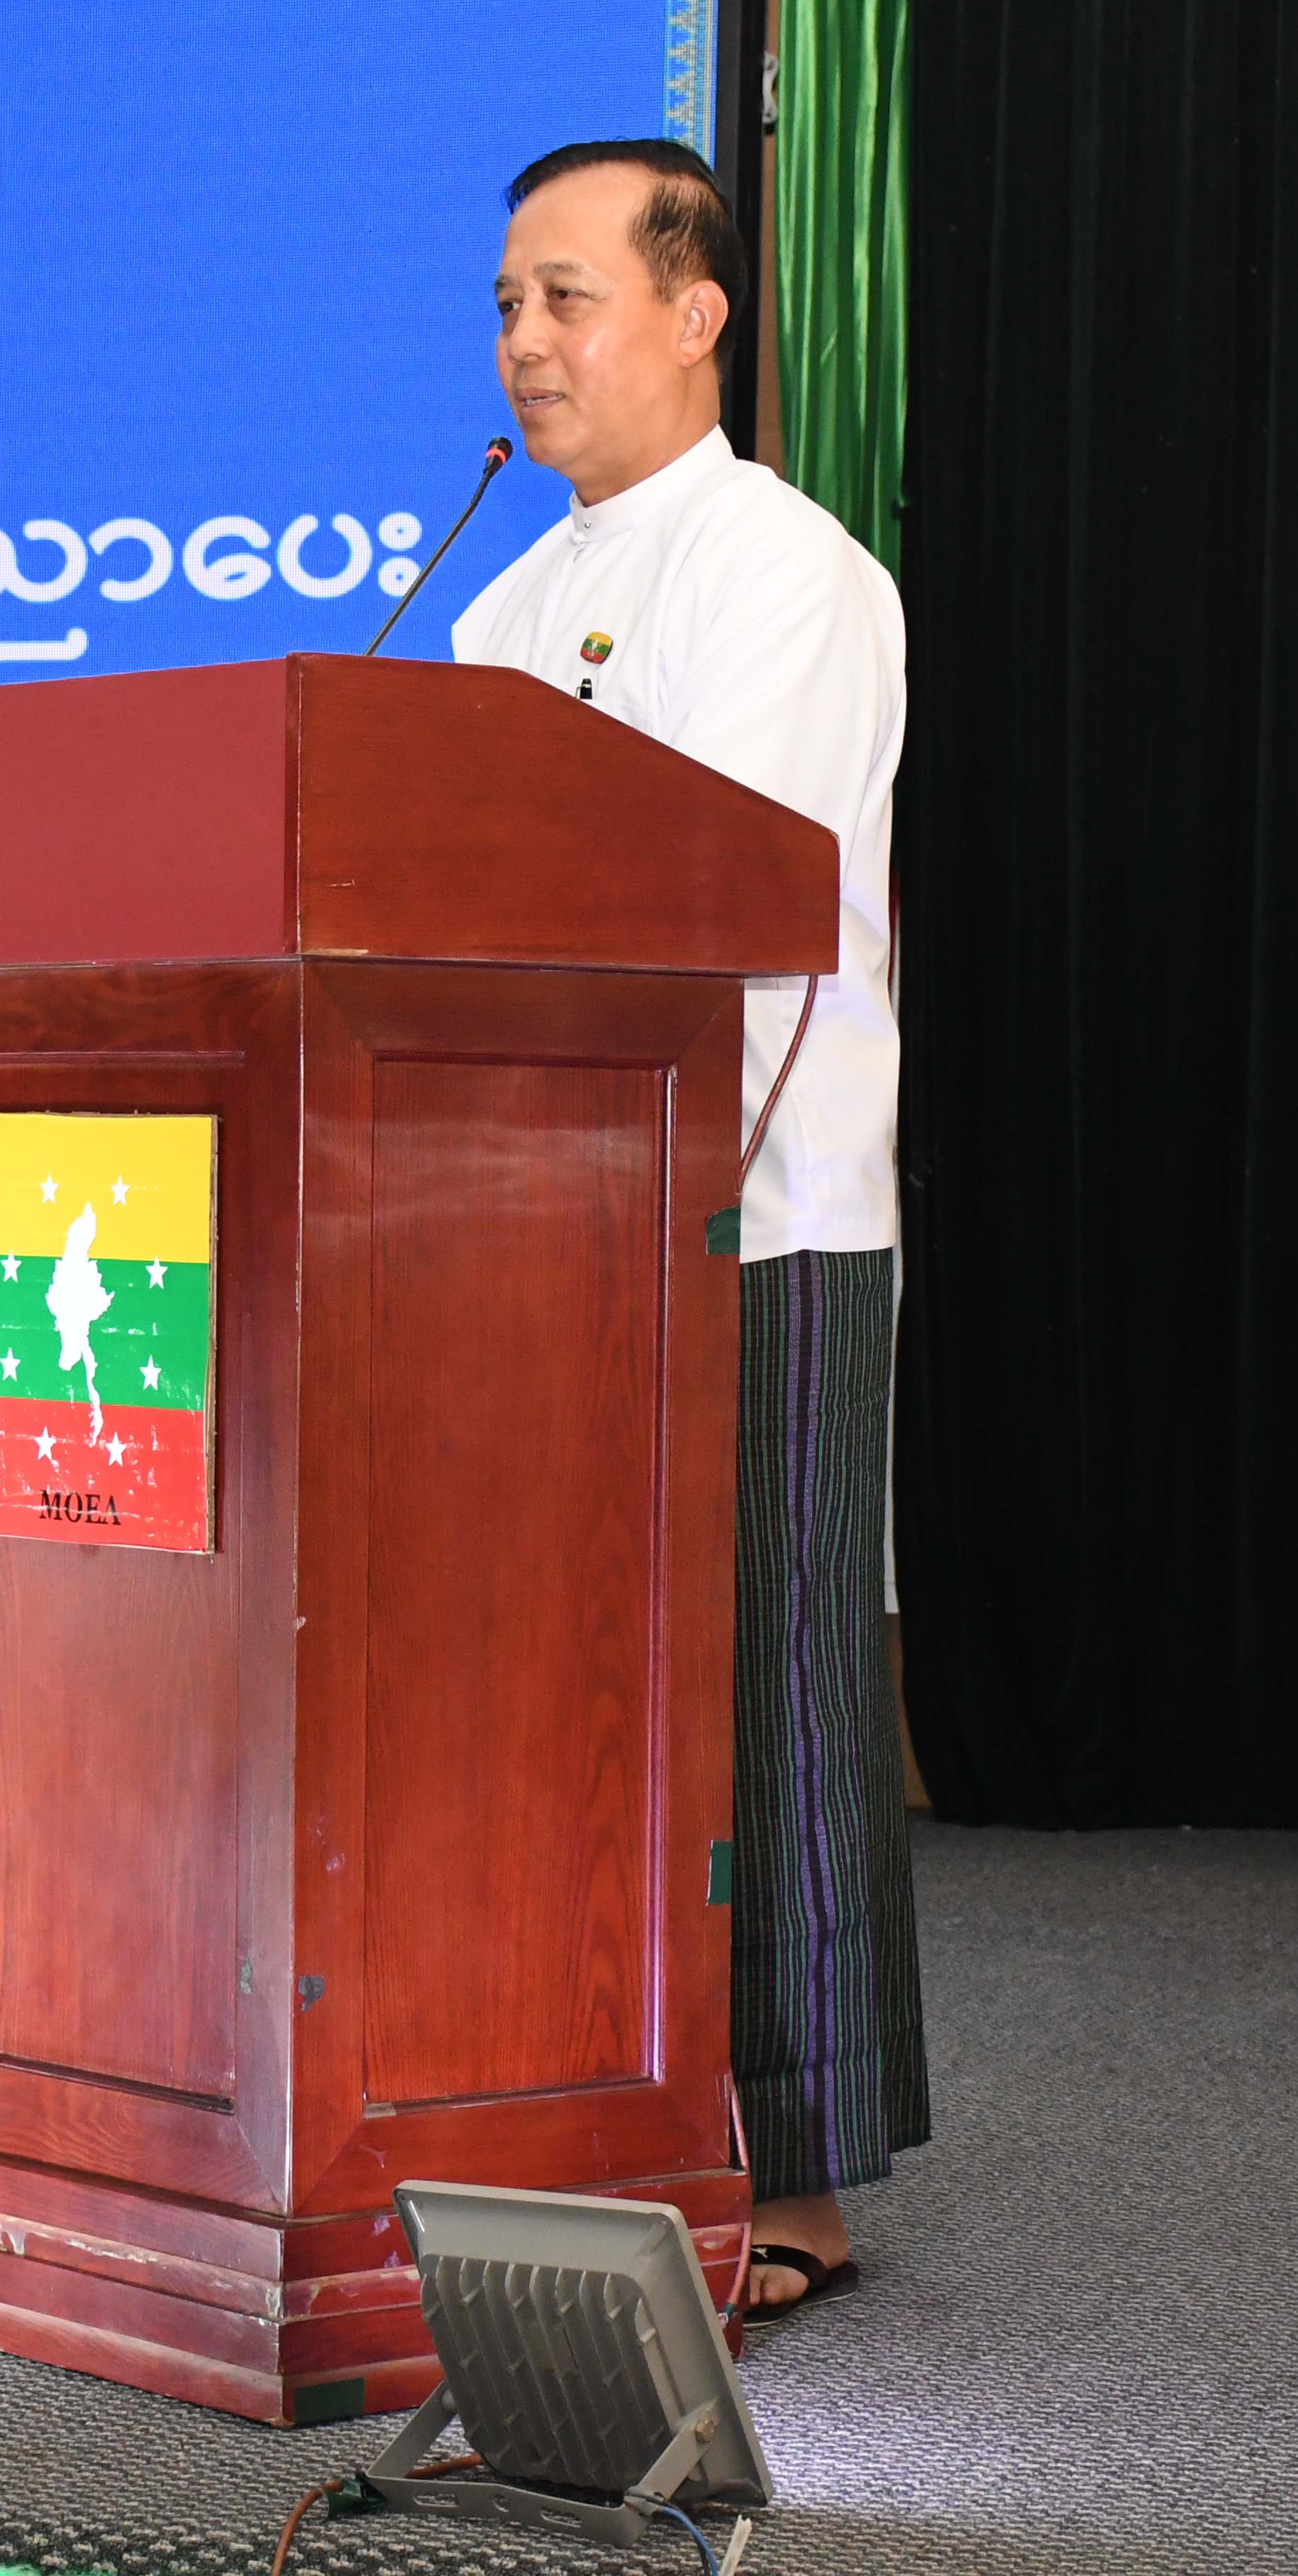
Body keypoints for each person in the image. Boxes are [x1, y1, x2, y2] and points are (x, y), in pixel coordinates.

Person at [450, 138, 924, 2315]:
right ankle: (587, 2109)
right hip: (542, 1244)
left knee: (777, 1687)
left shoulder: (786, 571)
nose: (527, 343)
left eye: (569, 297)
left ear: (698, 309)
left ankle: (800, 2178)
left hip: (759, 1217)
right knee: (572, 1691)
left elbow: (738, 909)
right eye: (508, 307)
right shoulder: (493, 607)